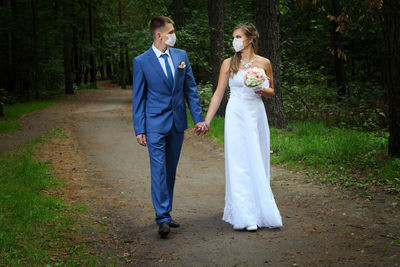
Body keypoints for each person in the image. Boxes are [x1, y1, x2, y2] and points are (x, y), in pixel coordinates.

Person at [132, 16, 208, 238]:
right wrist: (140, 129)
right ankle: (162, 217)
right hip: (154, 123)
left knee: (170, 170)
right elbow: (139, 98)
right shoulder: (141, 61)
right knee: (158, 169)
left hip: (177, 123)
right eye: (171, 31)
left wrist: (198, 118)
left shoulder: (180, 56)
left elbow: (190, 90)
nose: (174, 35)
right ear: (159, 35)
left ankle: (166, 210)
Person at [204, 22, 283, 231]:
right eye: (234, 37)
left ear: (250, 39)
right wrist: (208, 120)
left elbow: (271, 91)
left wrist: (261, 90)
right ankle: (245, 214)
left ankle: (260, 210)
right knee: (238, 161)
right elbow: (219, 93)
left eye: (238, 37)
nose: (235, 41)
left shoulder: (264, 62)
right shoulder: (228, 63)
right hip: (236, 113)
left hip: (255, 113)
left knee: (256, 158)